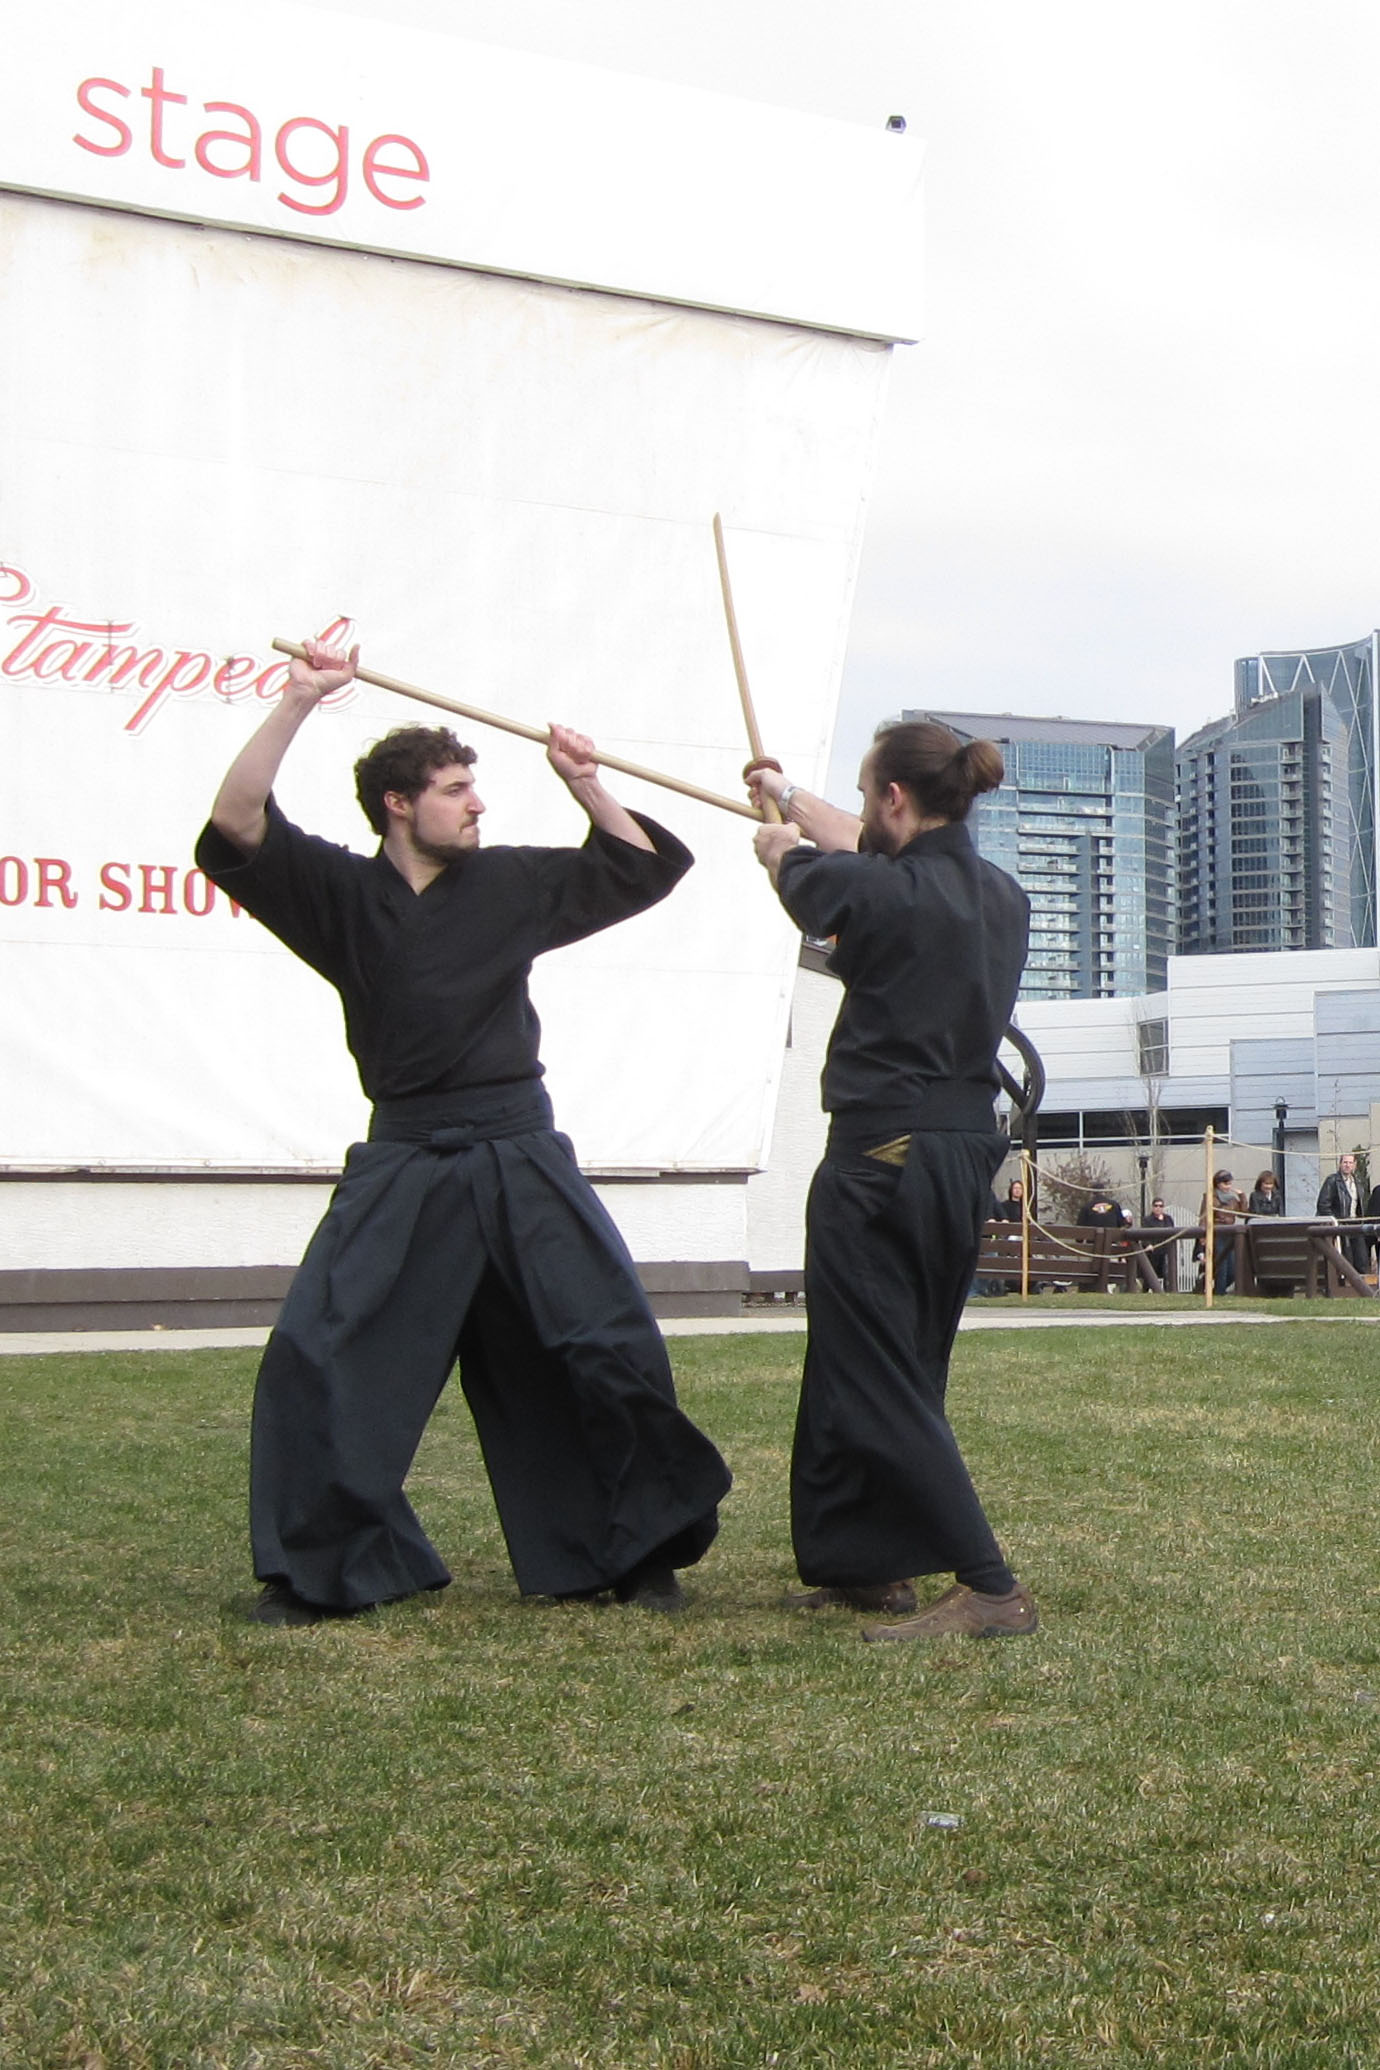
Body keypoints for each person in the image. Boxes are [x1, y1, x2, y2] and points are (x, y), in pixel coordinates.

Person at [195, 638, 731, 1626]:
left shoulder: (510, 883)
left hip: (519, 1149)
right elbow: (236, 822)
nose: (477, 804)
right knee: (320, 1354)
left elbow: (641, 866)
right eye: (454, 790)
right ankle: (331, 1568)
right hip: (406, 1155)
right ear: (399, 805)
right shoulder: (338, 896)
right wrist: (300, 700)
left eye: (474, 788)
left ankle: (632, 1554)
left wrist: (584, 782)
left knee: (603, 1345)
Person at [747, 720, 1037, 1645]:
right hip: (959, 1152)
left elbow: (815, 871)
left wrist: (777, 844)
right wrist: (785, 792)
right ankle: (866, 1564)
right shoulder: (1003, 896)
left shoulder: (872, 889)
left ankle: (990, 1585)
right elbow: (863, 846)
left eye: (869, 793)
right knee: (884, 1359)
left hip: (880, 1154)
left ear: (896, 797)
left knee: (872, 1369)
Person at [1317, 1153, 1370, 1276]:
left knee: (1361, 1259)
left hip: (1355, 1224)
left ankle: (1360, 1285)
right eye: (1345, 1162)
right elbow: (1323, 1205)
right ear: (1340, 1164)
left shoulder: (1357, 1182)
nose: (1347, 1165)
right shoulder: (1332, 1181)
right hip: (1340, 1226)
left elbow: (1360, 1205)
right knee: (1346, 1260)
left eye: (1350, 1163)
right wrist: (1336, 1222)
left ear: (1354, 1165)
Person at [1197, 1169, 1246, 1294]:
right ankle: (1219, 1292)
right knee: (1221, 1266)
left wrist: (1242, 1196)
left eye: (1229, 1184)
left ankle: (1218, 1290)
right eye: (1225, 1184)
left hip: (1229, 1234)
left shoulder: (1232, 1199)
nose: (1228, 1186)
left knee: (1233, 1269)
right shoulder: (1210, 1197)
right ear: (1218, 1184)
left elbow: (1243, 1214)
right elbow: (1204, 1217)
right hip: (1216, 1234)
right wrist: (1203, 1237)